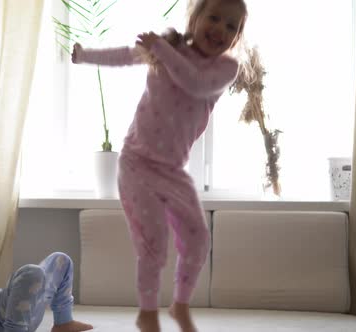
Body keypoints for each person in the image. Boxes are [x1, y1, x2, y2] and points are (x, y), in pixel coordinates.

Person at [71, 0, 248, 331]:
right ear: (194, 18)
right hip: (136, 164)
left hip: (173, 172)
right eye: (214, 18)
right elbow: (125, 56)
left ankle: (180, 305)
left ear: (237, 37)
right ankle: (147, 313)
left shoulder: (224, 69)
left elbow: (193, 83)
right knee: (153, 244)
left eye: (231, 26)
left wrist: (160, 50)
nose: (221, 30)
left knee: (197, 240)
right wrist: (84, 56)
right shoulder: (166, 47)